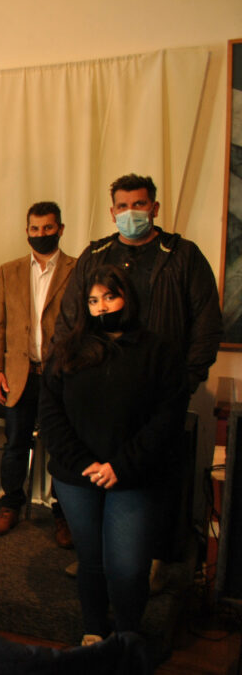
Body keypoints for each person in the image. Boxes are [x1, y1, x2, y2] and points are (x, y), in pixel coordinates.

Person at [55, 173, 222, 586]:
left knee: (154, 474)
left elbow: (206, 322)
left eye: (140, 204)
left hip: (159, 390)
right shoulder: (95, 255)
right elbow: (70, 317)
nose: (131, 212)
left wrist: (185, 380)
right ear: (112, 212)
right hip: (99, 392)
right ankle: (98, 557)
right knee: (98, 473)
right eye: (123, 206)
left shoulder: (182, 255)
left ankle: (152, 560)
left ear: (155, 208)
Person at [40, 265, 188, 644]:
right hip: (78, 475)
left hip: (134, 475)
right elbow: (51, 415)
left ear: (127, 297)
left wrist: (120, 466)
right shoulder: (67, 350)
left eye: (109, 296)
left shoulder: (158, 351)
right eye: (93, 301)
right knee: (90, 562)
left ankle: (127, 637)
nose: (101, 307)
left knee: (127, 567)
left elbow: (167, 418)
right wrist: (85, 463)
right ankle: (93, 629)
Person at [0, 202, 76, 544]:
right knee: (15, 445)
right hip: (18, 375)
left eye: (48, 228)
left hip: (61, 376)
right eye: (35, 229)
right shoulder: (9, 271)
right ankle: (10, 505)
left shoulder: (78, 269)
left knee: (61, 448)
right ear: (27, 231)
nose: (41, 234)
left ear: (60, 229)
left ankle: (63, 514)